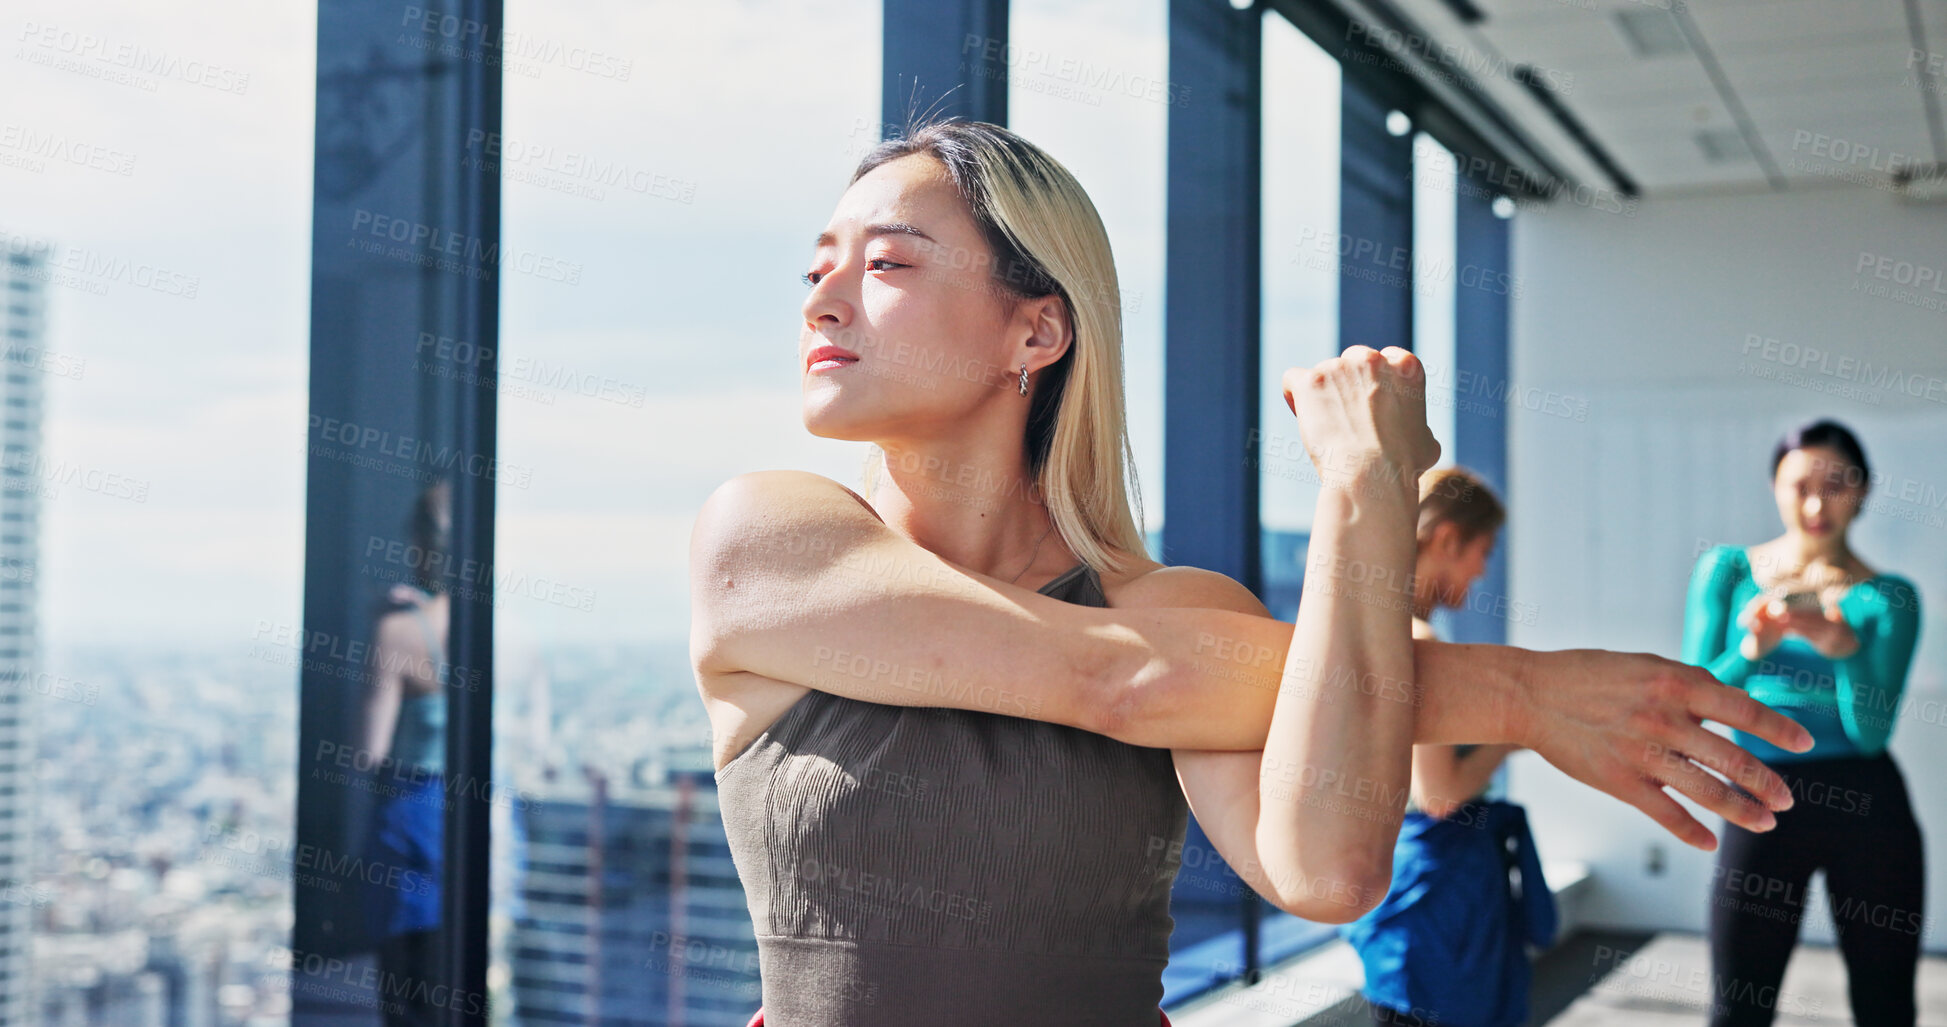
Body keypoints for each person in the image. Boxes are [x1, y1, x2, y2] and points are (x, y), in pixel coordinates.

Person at [688, 117, 1810, 1026]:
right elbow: (1116, 682)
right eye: (816, 268)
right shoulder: (767, 540)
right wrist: (1515, 690)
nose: (821, 300)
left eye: (885, 263)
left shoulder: (1183, 616)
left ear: (1036, 332)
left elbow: (1328, 871)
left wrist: (1365, 484)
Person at [1683, 419, 1924, 1027]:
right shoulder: (1728, 571)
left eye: (1838, 484)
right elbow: (1690, 700)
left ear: (1864, 492)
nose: (1817, 504)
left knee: (1885, 1005)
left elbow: (1871, 734)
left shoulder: (1888, 598)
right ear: (1774, 487)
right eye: (1801, 485)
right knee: (1739, 1006)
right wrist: (1751, 650)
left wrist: (1846, 652)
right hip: (1761, 794)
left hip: (1867, 805)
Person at [1341, 467, 1554, 1027]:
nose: (1483, 569)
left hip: (1401, 892)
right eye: (1482, 550)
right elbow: (1438, 793)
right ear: (1446, 538)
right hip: (1439, 911)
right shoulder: (1420, 642)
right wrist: (1515, 735)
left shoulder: (1367, 629)